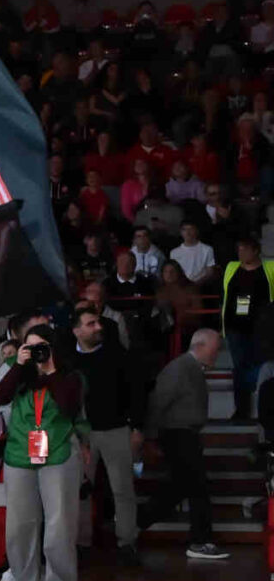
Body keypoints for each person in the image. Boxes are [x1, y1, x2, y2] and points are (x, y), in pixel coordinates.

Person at [0, 324, 83, 581]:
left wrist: (51, 370)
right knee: (19, 522)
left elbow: (70, 406)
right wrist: (19, 366)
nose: (37, 352)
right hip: (20, 452)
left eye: (42, 346)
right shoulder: (17, 371)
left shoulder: (69, 373)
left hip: (58, 450)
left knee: (59, 522)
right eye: (31, 347)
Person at [66, 305, 143, 556]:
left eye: (98, 322)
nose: (98, 327)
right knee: (80, 491)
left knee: (123, 489)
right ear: (76, 330)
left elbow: (136, 392)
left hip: (115, 429)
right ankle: (81, 543)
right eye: (91, 324)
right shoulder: (68, 360)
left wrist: (137, 426)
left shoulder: (117, 354)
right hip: (81, 435)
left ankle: (127, 543)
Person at [146, 329, 226, 562]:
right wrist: (150, 438)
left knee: (181, 487)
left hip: (185, 434)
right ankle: (200, 541)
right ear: (201, 346)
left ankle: (138, 521)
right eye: (215, 348)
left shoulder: (190, 369)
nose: (218, 353)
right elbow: (157, 403)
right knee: (196, 486)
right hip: (177, 434)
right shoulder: (179, 369)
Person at [221, 236, 271, 446]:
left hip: (262, 329)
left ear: (256, 251)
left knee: (261, 368)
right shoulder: (232, 267)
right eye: (239, 249)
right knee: (240, 367)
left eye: (245, 249)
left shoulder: (270, 269)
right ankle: (241, 410)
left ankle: (263, 409)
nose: (241, 253)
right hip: (235, 327)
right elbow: (226, 295)